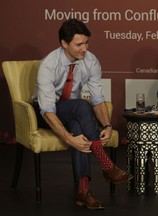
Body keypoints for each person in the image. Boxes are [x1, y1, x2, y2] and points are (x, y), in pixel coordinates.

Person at [32, 18, 133, 210]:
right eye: (79, 44)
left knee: (80, 124)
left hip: (73, 110)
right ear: (64, 44)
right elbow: (47, 111)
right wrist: (69, 139)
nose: (85, 48)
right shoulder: (48, 65)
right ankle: (106, 165)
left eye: (86, 42)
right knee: (80, 106)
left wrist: (107, 125)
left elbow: (97, 100)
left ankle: (83, 191)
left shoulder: (90, 61)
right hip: (45, 112)